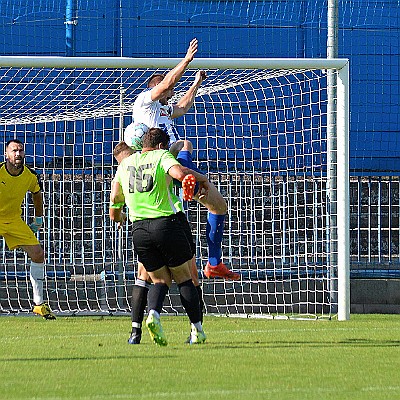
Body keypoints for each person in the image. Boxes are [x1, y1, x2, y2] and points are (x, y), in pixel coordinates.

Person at [124, 38, 240, 282]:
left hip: (175, 166)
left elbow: (184, 106)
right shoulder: (146, 101)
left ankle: (214, 263)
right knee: (183, 144)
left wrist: (196, 83)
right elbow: (167, 82)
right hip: (159, 168)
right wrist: (186, 60)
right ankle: (147, 304)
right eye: (168, 92)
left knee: (219, 205)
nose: (171, 94)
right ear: (158, 90)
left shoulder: (164, 109)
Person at [109, 128, 208, 345]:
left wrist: (120, 215)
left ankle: (152, 313)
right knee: (184, 277)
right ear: (162, 145)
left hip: (139, 231)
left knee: (159, 279)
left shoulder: (125, 165)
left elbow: (115, 200)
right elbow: (181, 174)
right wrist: (197, 181)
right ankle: (198, 330)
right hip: (166, 224)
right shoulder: (161, 156)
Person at [0, 139, 55, 319]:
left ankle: (38, 304)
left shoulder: (30, 175)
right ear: (6, 154)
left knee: (38, 254)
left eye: (21, 151)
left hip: (13, 220)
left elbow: (36, 194)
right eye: (14, 151)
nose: (18, 154)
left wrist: (38, 218)